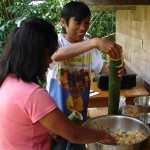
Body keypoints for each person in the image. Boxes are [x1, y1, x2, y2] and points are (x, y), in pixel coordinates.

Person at [0, 17, 117, 150]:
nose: (51, 60)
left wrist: (43, 127)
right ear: (35, 54)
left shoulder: (7, 80)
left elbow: (19, 124)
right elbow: (76, 135)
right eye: (49, 54)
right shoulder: (33, 94)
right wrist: (103, 134)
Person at [46, 1, 124, 150]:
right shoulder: (57, 42)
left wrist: (117, 67)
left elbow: (103, 67)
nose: (83, 28)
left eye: (87, 23)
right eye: (78, 23)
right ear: (63, 22)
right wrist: (95, 42)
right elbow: (55, 56)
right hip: (56, 118)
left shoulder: (90, 47)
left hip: (80, 116)